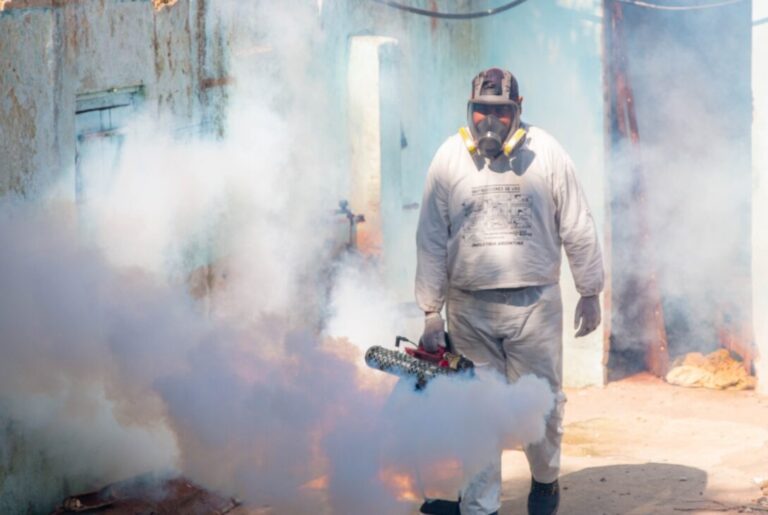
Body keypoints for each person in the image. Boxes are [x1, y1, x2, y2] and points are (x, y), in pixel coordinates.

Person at [415, 68, 604, 515]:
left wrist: (590, 290)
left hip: (534, 307)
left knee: (542, 406)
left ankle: (545, 483)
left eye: (502, 112)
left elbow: (577, 222)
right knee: (476, 413)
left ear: (519, 111)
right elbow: (431, 239)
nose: (490, 121)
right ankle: (481, 507)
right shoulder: (448, 159)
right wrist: (430, 311)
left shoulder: (548, 154)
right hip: (469, 308)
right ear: (470, 109)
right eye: (482, 110)